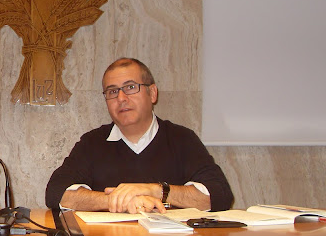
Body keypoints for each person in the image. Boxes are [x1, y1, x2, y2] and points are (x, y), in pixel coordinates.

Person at [45, 58, 233, 213]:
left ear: (152, 93)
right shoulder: (92, 143)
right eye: (112, 91)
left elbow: (220, 195)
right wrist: (118, 200)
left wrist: (155, 190)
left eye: (130, 87)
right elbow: (56, 193)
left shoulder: (182, 139)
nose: (121, 98)